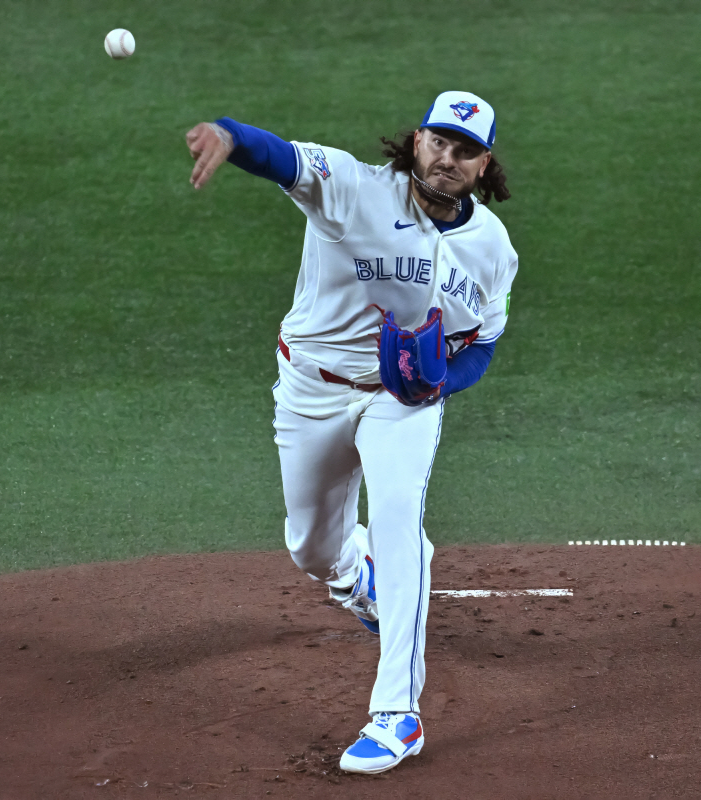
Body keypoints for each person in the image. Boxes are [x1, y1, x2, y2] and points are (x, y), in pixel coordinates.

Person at [185, 92, 517, 774]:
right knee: (310, 547)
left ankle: (398, 714)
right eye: (438, 142)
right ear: (416, 140)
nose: (447, 159)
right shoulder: (352, 188)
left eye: (465, 151)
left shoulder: (491, 247)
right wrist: (228, 134)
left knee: (400, 525)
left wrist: (437, 384)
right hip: (310, 390)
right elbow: (281, 157)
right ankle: (352, 582)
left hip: (401, 406)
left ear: (484, 166)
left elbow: (481, 343)